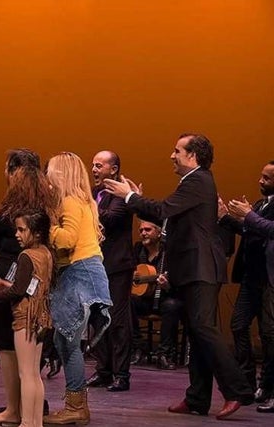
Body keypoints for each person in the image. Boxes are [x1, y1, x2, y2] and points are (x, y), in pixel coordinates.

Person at [104, 133, 254, 420]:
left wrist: (129, 197)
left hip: (201, 269)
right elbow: (172, 219)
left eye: (177, 151)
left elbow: (162, 211)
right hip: (192, 268)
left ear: (193, 156)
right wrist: (134, 198)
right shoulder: (194, 182)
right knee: (198, 334)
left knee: (204, 329)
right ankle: (197, 398)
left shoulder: (198, 180)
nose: (172, 156)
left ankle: (237, 390)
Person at [43, 152, 111, 426]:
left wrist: (46, 224)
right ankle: (76, 404)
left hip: (79, 272)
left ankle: (76, 407)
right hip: (84, 271)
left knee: (68, 342)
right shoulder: (82, 201)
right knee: (65, 341)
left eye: (51, 171)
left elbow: (66, 241)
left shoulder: (70, 202)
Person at [0, 210, 54, 427]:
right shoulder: (45, 253)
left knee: (26, 373)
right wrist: (8, 285)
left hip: (26, 318)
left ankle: (27, 422)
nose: (17, 234)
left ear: (36, 233)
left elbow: (19, 292)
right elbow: (32, 286)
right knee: (34, 374)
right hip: (42, 316)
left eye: (22, 230)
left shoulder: (26, 256)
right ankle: (35, 422)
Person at [218, 160, 274, 404]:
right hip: (251, 279)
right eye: (261, 176)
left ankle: (268, 386)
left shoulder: (260, 208)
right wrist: (224, 217)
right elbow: (249, 229)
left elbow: (269, 229)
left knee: (269, 335)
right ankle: (246, 381)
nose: (260, 181)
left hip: (270, 280)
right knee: (238, 325)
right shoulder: (262, 203)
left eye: (267, 178)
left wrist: (248, 215)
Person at [87, 150, 135, 392]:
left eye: (99, 165)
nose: (94, 169)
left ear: (113, 169)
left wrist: (86, 208)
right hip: (96, 265)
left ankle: (121, 374)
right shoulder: (94, 194)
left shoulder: (122, 193)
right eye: (93, 165)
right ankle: (103, 370)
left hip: (117, 266)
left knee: (117, 321)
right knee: (97, 319)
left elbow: (112, 219)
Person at [129, 220, 183, 370]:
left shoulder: (169, 252)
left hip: (165, 298)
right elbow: (130, 273)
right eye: (141, 231)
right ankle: (138, 347)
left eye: (147, 230)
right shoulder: (138, 249)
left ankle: (164, 354)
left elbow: (179, 279)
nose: (143, 233)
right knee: (126, 302)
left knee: (172, 306)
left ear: (159, 233)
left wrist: (167, 285)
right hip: (144, 300)